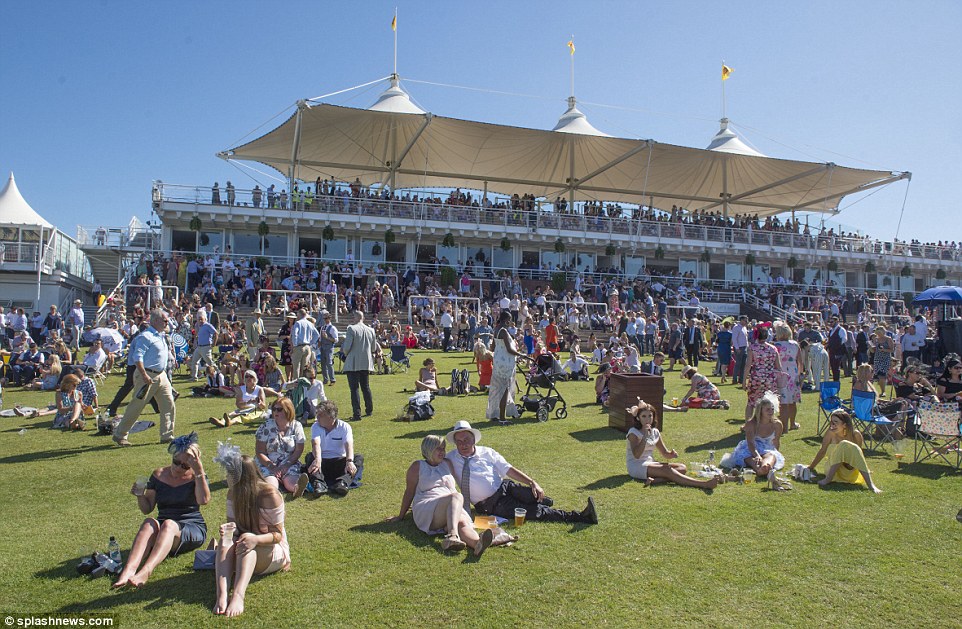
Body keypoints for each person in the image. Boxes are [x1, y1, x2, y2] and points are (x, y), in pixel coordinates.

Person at [444, 420, 598, 524]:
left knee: (534, 495)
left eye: (466, 439)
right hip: (491, 504)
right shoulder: (450, 459)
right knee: (535, 511)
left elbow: (508, 469)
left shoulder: (487, 452)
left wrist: (532, 482)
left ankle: (539, 499)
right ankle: (581, 516)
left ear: (473, 439)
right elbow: (432, 463)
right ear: (455, 443)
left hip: (505, 487)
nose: (463, 444)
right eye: (459, 441)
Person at [114, 433, 210, 588]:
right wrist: (140, 496)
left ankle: (146, 571)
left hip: (191, 527)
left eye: (185, 466)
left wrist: (199, 471)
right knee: (149, 522)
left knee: (169, 525)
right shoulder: (158, 475)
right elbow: (147, 509)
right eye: (176, 462)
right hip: (164, 526)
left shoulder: (197, 477)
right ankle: (128, 571)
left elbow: (203, 500)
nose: (179, 468)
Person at [387, 435, 508, 556]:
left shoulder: (447, 463)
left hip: (450, 506)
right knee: (456, 496)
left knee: (462, 522)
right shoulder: (417, 467)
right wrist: (400, 516)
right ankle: (452, 535)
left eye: (443, 448)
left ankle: (477, 544)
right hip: (427, 508)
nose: (442, 452)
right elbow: (409, 492)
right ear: (428, 449)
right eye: (438, 449)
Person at [212, 447, 290, 617]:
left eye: (229, 473)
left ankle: (238, 595)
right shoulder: (233, 493)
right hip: (245, 545)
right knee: (226, 539)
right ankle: (222, 594)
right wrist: (228, 530)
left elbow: (277, 535)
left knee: (247, 540)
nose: (226, 477)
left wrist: (255, 539)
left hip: (271, 550)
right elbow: (234, 528)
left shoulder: (270, 494)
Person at [625, 399, 730, 489]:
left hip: (650, 463)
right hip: (637, 465)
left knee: (682, 468)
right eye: (644, 416)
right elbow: (637, 455)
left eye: (650, 416)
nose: (648, 419)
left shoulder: (655, 431)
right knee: (667, 470)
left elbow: (664, 453)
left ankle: (655, 481)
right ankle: (703, 484)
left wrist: (671, 454)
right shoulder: (633, 433)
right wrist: (645, 438)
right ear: (638, 418)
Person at [113, 309, 176, 446]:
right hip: (147, 375)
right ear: (155, 321)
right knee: (137, 406)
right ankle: (120, 434)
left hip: (161, 375)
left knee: (168, 404)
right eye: (165, 320)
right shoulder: (145, 336)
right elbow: (138, 357)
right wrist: (144, 374)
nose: (167, 323)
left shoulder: (161, 335)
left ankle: (167, 435)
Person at [807, 410, 882, 494]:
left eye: (835, 422)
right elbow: (822, 451)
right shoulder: (830, 433)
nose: (832, 425)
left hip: (849, 470)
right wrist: (811, 467)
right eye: (831, 422)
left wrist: (866, 469)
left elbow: (858, 455)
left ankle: (871, 485)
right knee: (843, 444)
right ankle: (828, 479)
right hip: (833, 471)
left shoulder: (855, 435)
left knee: (846, 445)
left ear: (844, 425)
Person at [304, 400, 363, 496]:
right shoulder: (316, 426)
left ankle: (342, 483)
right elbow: (315, 443)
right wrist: (318, 459)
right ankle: (319, 484)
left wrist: (349, 461)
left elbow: (348, 444)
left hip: (339, 462)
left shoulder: (344, 427)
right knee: (310, 457)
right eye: (317, 414)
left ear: (331, 417)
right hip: (322, 463)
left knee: (358, 458)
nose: (317, 417)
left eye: (320, 415)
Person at [254, 397, 309, 497]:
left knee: (290, 482)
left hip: (289, 461)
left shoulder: (297, 426)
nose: (275, 412)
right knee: (271, 483)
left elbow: (298, 450)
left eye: (279, 409)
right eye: (273, 409)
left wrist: (287, 464)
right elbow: (259, 451)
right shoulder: (266, 426)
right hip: (267, 463)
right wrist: (272, 467)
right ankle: (271, 491)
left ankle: (297, 489)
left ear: (288, 410)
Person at [724, 392, 785, 479]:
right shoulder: (751, 423)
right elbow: (750, 442)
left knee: (771, 457)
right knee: (747, 457)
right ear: (760, 411)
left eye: (772, 409)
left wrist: (776, 454)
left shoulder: (777, 424)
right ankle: (758, 469)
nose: (771, 412)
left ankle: (765, 467)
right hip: (751, 447)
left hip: (767, 448)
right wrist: (757, 455)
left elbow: (776, 441)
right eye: (767, 410)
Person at [486, 310, 530, 422]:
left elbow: (492, 348)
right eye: (509, 320)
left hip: (498, 362)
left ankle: (494, 414)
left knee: (496, 389)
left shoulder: (496, 330)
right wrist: (522, 355)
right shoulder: (504, 331)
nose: (510, 322)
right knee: (504, 390)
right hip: (505, 363)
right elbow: (509, 350)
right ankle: (502, 417)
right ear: (506, 320)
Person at [341, 310, 376, 422]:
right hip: (365, 362)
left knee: (354, 388)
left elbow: (346, 347)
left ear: (355, 318)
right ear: (363, 318)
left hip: (353, 362)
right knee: (365, 387)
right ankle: (369, 409)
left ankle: (357, 413)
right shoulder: (371, 330)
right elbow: (373, 348)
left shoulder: (351, 328)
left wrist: (345, 354)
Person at [742, 326, 782, 420]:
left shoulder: (752, 348)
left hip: (756, 378)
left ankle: (748, 424)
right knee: (769, 402)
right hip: (770, 378)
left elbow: (748, 365)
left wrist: (744, 381)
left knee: (751, 402)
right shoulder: (773, 348)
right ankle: (769, 423)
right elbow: (779, 367)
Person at [773, 322, 802, 430]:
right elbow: (800, 362)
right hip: (793, 375)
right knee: (793, 401)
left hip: (781, 375)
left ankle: (784, 427)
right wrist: (799, 375)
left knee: (783, 402)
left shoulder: (776, 346)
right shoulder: (795, 344)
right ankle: (792, 423)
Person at [289, 309, 318, 381]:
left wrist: (295, 345)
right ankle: (303, 383)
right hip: (307, 347)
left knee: (296, 367)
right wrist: (311, 342)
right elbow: (316, 334)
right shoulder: (310, 323)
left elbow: (295, 334)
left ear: (299, 315)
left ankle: (296, 385)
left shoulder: (298, 323)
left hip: (299, 346)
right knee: (304, 367)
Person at [871, 325, 896, 396]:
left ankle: (883, 391)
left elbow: (892, 350)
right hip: (877, 358)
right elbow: (874, 350)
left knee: (882, 374)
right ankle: (882, 390)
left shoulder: (888, 339)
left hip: (885, 358)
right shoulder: (876, 339)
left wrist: (884, 349)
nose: (878, 335)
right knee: (879, 375)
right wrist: (871, 347)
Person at [317, 311, 338, 386]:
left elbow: (336, 339)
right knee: (323, 364)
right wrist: (319, 344)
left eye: (326, 318)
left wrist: (327, 337)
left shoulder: (332, 328)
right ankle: (325, 379)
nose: (325, 320)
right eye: (324, 318)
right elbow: (320, 338)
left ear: (330, 319)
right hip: (322, 346)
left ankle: (332, 379)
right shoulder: (322, 327)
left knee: (329, 363)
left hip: (329, 347)